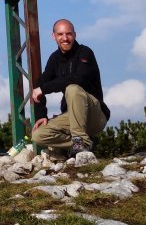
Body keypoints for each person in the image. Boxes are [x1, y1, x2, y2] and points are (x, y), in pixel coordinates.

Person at [30, 18, 109, 155]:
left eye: (69, 34)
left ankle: (80, 141)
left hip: (95, 115)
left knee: (72, 88)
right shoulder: (54, 59)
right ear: (53, 36)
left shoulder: (85, 53)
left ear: (75, 35)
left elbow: (78, 78)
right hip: (72, 116)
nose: (65, 38)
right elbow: (39, 85)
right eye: (60, 34)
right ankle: (85, 142)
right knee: (38, 135)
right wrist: (41, 114)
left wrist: (43, 89)